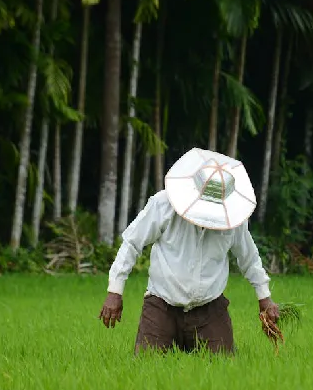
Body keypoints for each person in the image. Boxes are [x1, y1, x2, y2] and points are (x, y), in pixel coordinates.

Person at [98, 147, 280, 354]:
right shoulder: (163, 204)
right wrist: (115, 291)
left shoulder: (233, 218)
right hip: (162, 305)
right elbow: (131, 243)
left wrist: (264, 297)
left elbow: (249, 258)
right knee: (146, 370)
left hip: (210, 309)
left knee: (224, 373)